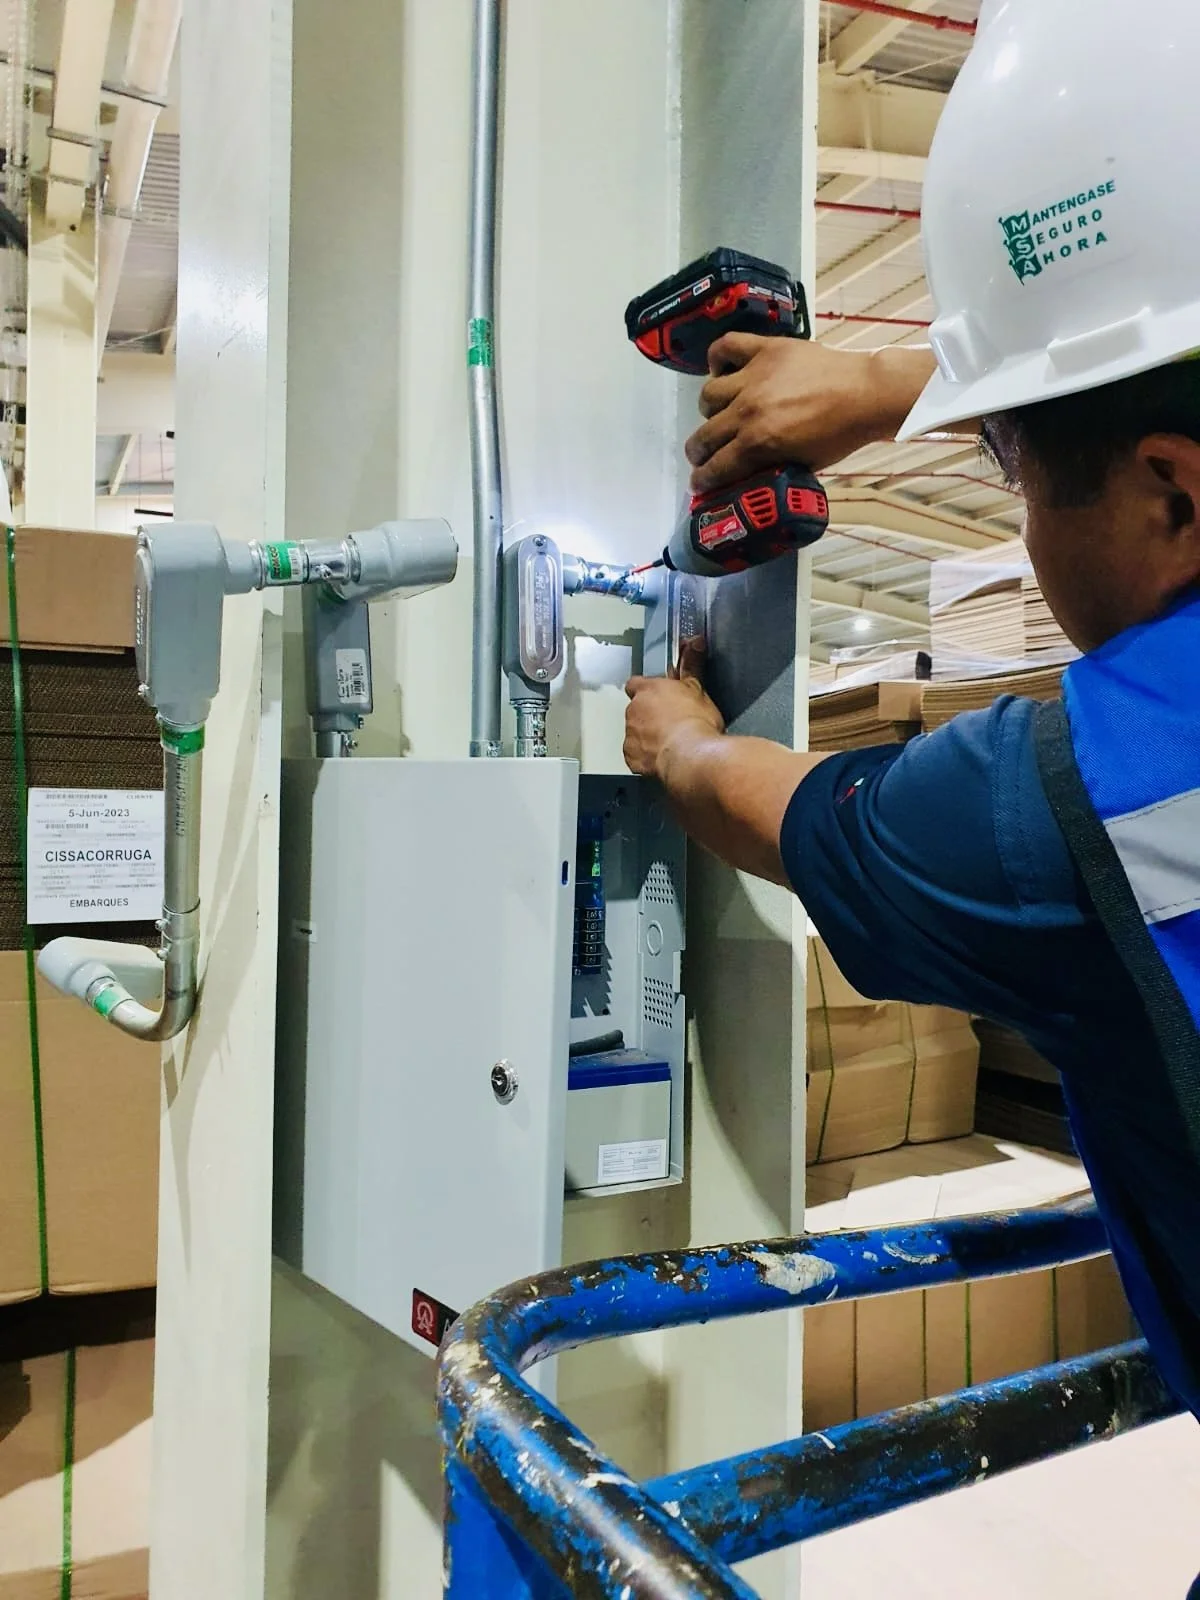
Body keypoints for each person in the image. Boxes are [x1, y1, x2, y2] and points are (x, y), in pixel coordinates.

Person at [624, 0, 1200, 1454]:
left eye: (1012, 459)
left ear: (1173, 496)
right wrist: (905, 383)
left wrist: (680, 740)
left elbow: (815, 819)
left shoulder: (1092, 795)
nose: (1009, 491)